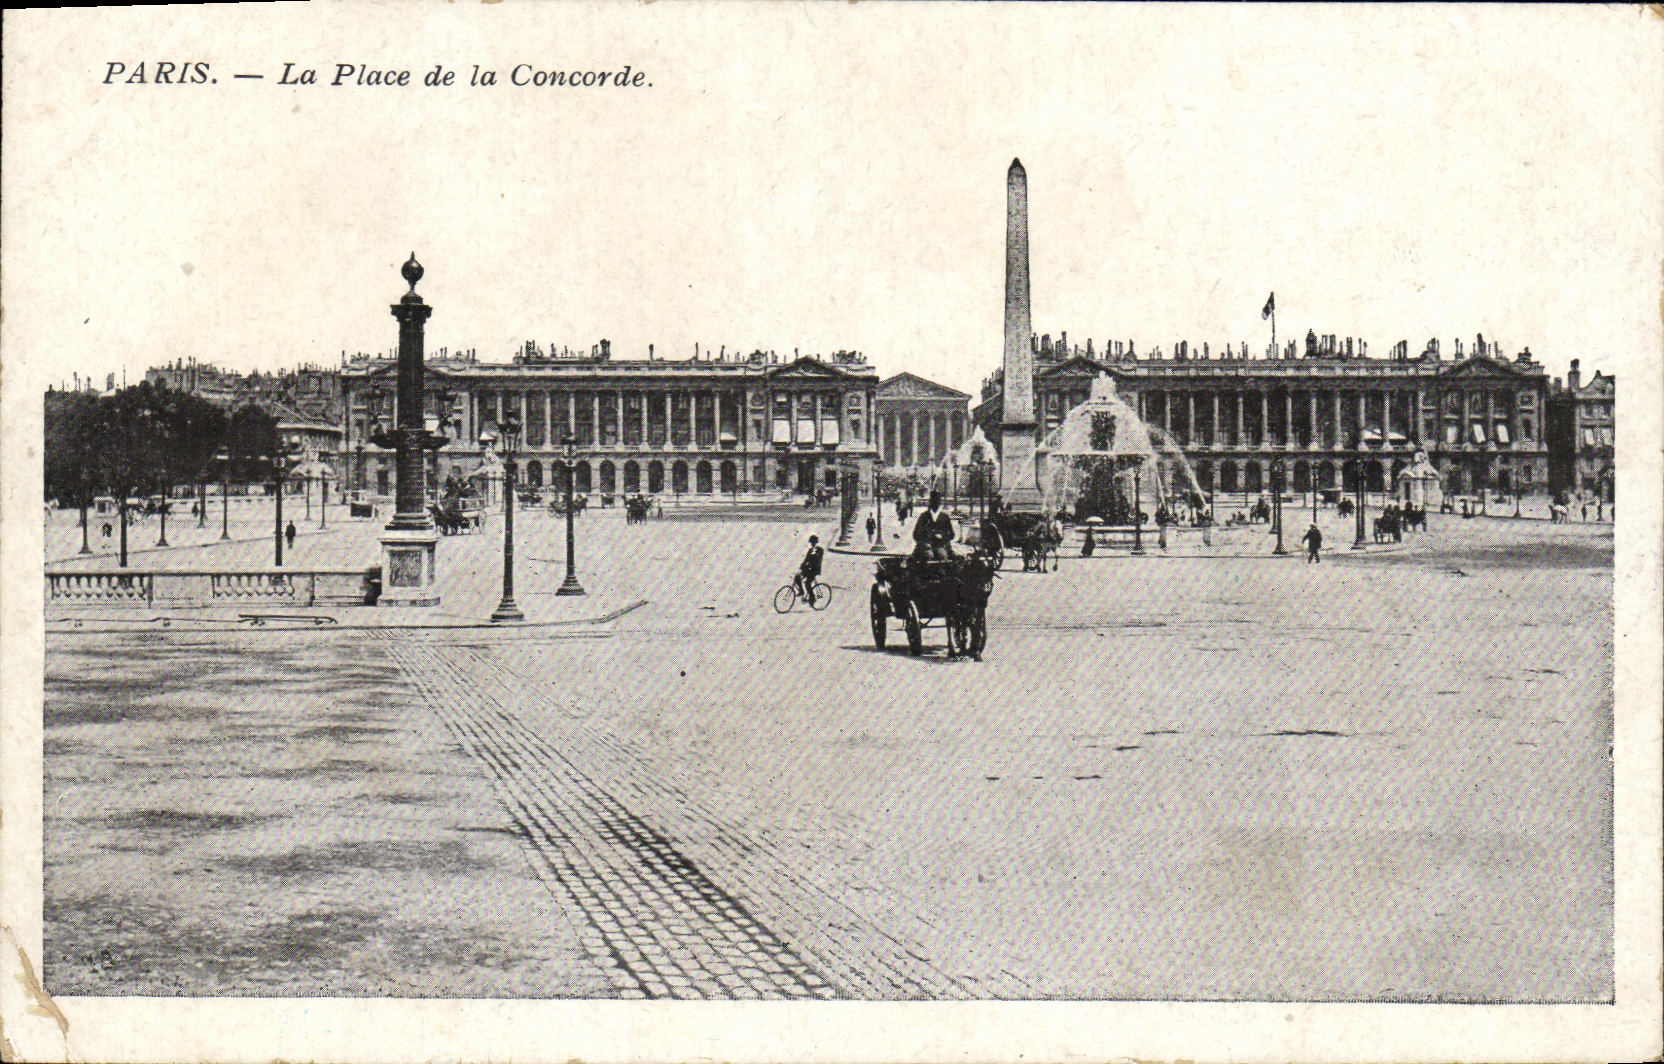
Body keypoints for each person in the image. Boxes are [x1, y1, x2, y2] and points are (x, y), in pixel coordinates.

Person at [911, 490, 956, 562]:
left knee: (942, 555)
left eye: (937, 501)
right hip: (926, 545)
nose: (935, 504)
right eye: (933, 501)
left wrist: (942, 536)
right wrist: (925, 540)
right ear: (930, 502)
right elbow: (915, 534)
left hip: (940, 545)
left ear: (939, 503)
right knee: (928, 555)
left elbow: (952, 534)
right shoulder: (924, 516)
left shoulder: (944, 517)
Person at [794, 534, 825, 604]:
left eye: (813, 542)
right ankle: (801, 591)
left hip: (815, 570)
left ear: (816, 542)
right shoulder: (810, 550)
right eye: (811, 542)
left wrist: (811, 562)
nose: (812, 544)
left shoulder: (820, 550)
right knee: (797, 577)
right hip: (809, 569)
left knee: (807, 583)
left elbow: (818, 560)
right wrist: (802, 565)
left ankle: (812, 597)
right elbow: (806, 559)